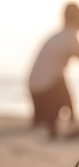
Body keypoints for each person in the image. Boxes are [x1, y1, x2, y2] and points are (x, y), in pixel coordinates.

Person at [27, 2, 79, 139]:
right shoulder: (69, 37)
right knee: (60, 80)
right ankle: (70, 123)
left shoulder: (56, 37)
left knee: (59, 76)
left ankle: (45, 118)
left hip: (34, 90)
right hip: (47, 90)